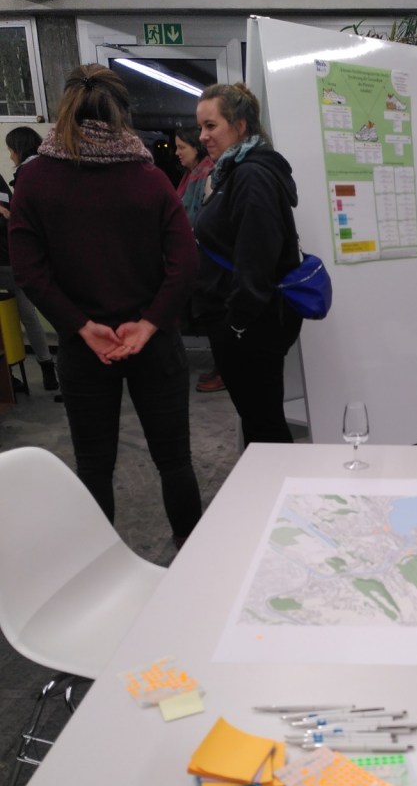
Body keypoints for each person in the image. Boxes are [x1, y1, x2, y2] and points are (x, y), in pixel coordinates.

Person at [9, 62, 202, 548]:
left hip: (83, 347)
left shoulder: (35, 179)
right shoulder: (148, 177)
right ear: (121, 111)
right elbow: (185, 261)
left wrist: (80, 325)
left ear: (64, 110)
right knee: (175, 461)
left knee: (94, 467)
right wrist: (150, 323)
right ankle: (195, 564)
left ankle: (98, 571)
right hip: (153, 344)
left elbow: (30, 271)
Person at [193, 82, 302, 444]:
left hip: (250, 327)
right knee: (260, 421)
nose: (203, 136)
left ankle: (281, 479)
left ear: (240, 126)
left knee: (265, 425)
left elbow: (257, 256)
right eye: (200, 127)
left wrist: (236, 323)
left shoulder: (250, 175)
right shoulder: (233, 172)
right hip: (246, 323)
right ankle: (272, 477)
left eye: (211, 125)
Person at [0, 127, 59, 391]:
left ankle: (46, 367)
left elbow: (13, 214)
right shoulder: (39, 170)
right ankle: (18, 374)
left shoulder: (27, 174)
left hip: (9, 259)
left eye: (11, 150)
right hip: (17, 256)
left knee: (28, 314)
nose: (9, 155)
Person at [173, 124, 223, 394]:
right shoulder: (191, 175)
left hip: (207, 259)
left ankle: (224, 369)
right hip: (195, 255)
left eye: (182, 147)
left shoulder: (208, 175)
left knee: (212, 314)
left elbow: (200, 220)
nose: (177, 153)